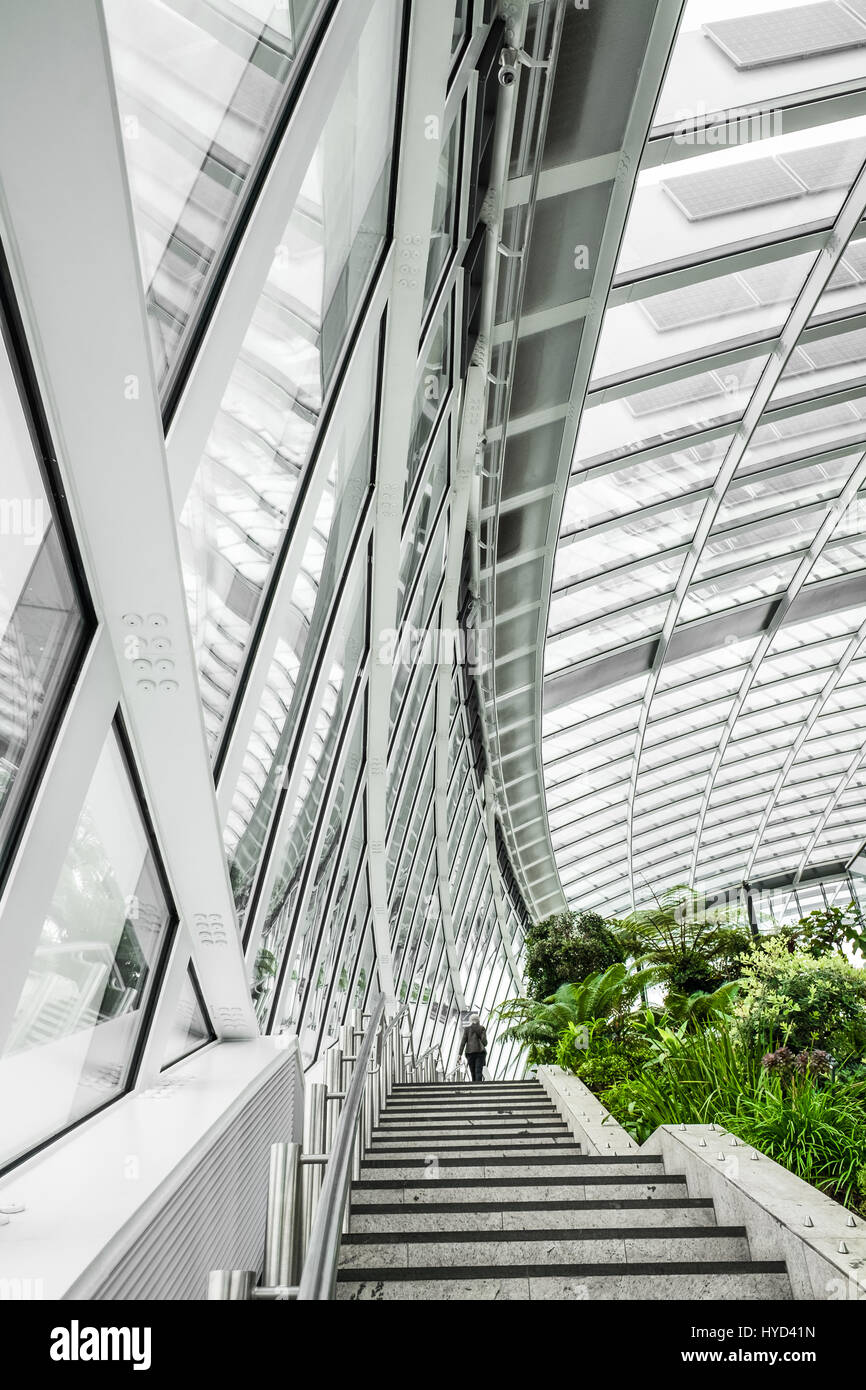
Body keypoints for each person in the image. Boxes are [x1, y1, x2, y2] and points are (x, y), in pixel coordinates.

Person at [459, 1012, 487, 1082]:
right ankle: (479, 1088)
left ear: (470, 1020)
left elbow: (463, 1042)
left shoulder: (467, 1029)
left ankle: (473, 1086)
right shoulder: (482, 1028)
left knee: (472, 1071)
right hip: (480, 1052)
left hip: (470, 1052)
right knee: (478, 1070)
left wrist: (460, 1054)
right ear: (478, 1020)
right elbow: (484, 1042)